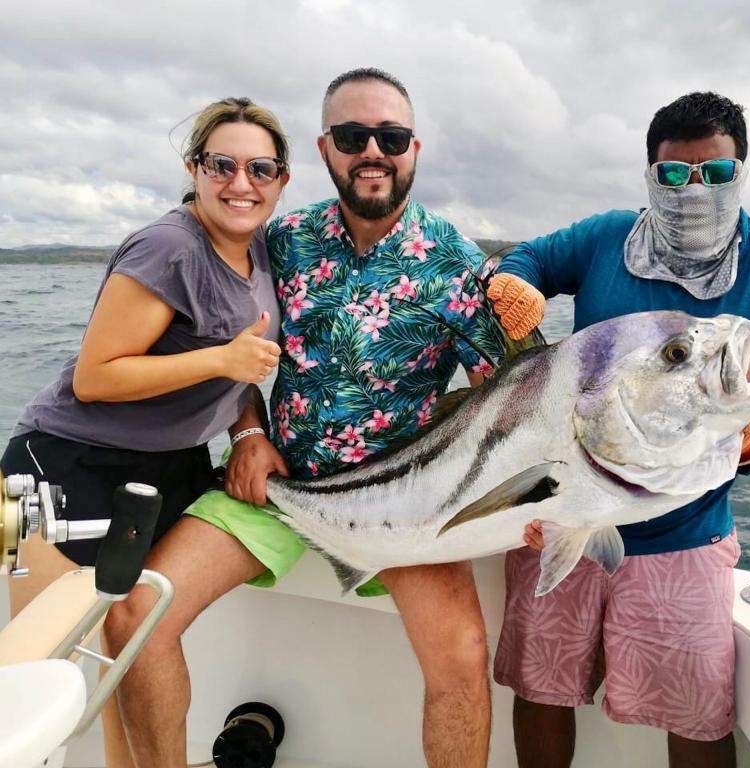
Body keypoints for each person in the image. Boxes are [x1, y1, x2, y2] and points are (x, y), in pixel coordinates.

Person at [130, 68, 527, 768]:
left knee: (462, 660)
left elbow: (508, 397)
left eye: (391, 136)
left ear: (414, 149)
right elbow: (229, 349)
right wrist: (247, 432)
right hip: (278, 487)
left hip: (402, 504)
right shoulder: (281, 242)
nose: (372, 149)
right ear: (324, 148)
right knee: (140, 611)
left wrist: (525, 329)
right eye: (353, 135)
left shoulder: (456, 261)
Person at [487, 91, 750, 768]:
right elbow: (526, 261)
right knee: (543, 691)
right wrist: (517, 287)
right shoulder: (603, 239)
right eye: (674, 175)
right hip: (564, 508)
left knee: (700, 715)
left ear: (742, 174)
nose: (693, 189)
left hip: (687, 533)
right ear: (651, 174)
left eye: (716, 173)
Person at [1, 96, 289, 767]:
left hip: (162, 470)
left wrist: (248, 429)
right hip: (52, 470)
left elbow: (240, 365)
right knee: (38, 671)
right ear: (194, 167)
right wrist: (223, 360)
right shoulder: (168, 248)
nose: (240, 183)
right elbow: (95, 377)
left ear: (281, 180)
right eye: (222, 165)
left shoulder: (258, 249)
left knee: (113, 661)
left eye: (260, 169)